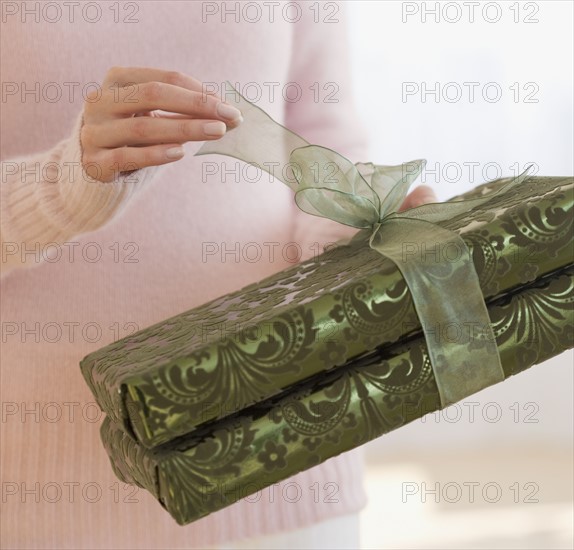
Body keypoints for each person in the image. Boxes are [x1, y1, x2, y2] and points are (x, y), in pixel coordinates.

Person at [0, 2, 436, 548]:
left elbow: (326, 143)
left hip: (284, 451)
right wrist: (67, 185)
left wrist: (354, 236)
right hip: (42, 489)